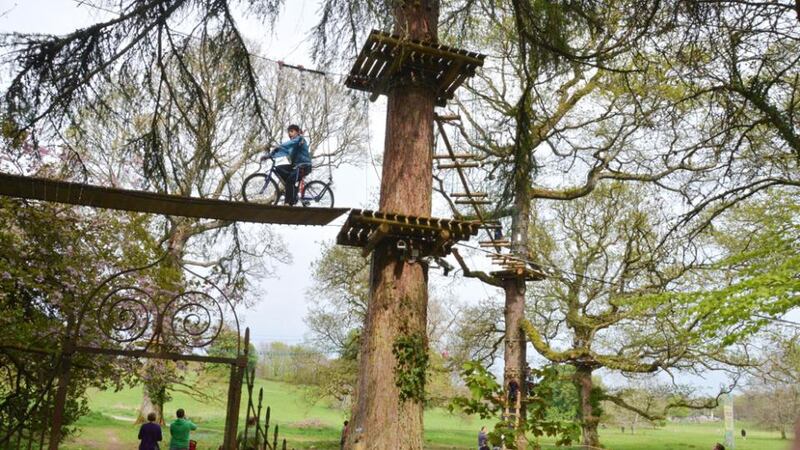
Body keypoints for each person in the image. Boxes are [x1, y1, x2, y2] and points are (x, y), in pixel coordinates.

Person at [262, 124, 311, 205]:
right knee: (279, 168)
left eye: (292, 131)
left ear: (297, 132)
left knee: (290, 181)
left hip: (304, 166)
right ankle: (292, 189)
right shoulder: (292, 146)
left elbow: (288, 144)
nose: (290, 134)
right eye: (289, 132)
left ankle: (288, 202)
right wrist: (269, 155)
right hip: (296, 166)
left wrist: (279, 146)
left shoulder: (299, 139)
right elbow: (283, 150)